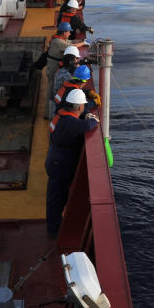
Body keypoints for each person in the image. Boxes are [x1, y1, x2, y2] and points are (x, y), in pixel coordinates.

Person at [45, 88, 99, 237]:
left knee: (55, 198)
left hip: (54, 161)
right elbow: (89, 125)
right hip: (60, 166)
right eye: (83, 106)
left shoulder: (61, 115)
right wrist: (92, 118)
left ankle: (54, 226)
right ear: (80, 107)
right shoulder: (71, 124)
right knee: (56, 199)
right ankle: (53, 231)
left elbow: (78, 121)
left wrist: (86, 114)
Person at [43, 22, 87, 118]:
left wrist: (80, 40)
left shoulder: (60, 39)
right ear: (64, 32)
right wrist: (83, 43)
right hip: (53, 66)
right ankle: (47, 114)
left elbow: (70, 42)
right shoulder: (57, 42)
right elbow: (71, 46)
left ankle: (49, 112)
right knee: (50, 91)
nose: (70, 34)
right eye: (68, 32)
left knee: (52, 89)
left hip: (54, 65)